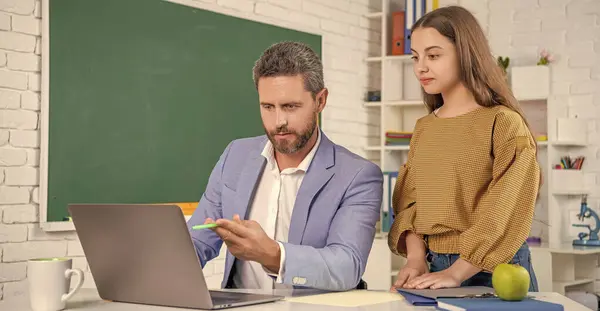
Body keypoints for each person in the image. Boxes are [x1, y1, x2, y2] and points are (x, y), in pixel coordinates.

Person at [187, 41, 383, 291]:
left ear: (320, 100)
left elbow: (347, 266)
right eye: (268, 107)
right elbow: (196, 240)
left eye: (290, 106)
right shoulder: (235, 155)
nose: (278, 121)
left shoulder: (358, 176)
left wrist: (272, 254)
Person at [388, 6, 541, 292]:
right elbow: (410, 202)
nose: (420, 67)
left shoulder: (503, 122)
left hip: (495, 268)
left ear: (466, 53)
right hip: (436, 266)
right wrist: (415, 258)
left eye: (433, 55)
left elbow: (506, 206)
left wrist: (458, 272)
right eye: (415, 57)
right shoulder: (424, 128)